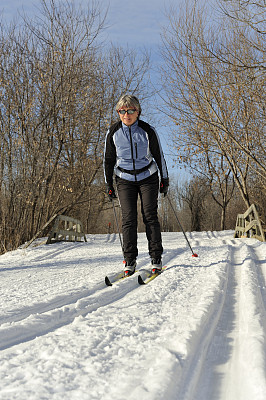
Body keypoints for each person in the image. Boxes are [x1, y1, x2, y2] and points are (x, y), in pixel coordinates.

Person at [103, 94, 169, 276]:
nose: (126, 114)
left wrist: (164, 179)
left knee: (149, 216)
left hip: (148, 176)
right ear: (118, 113)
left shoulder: (148, 131)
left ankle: (156, 258)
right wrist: (108, 183)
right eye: (122, 111)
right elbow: (108, 160)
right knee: (128, 218)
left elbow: (159, 156)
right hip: (124, 178)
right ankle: (129, 260)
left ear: (138, 112)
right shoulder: (113, 132)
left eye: (130, 110)